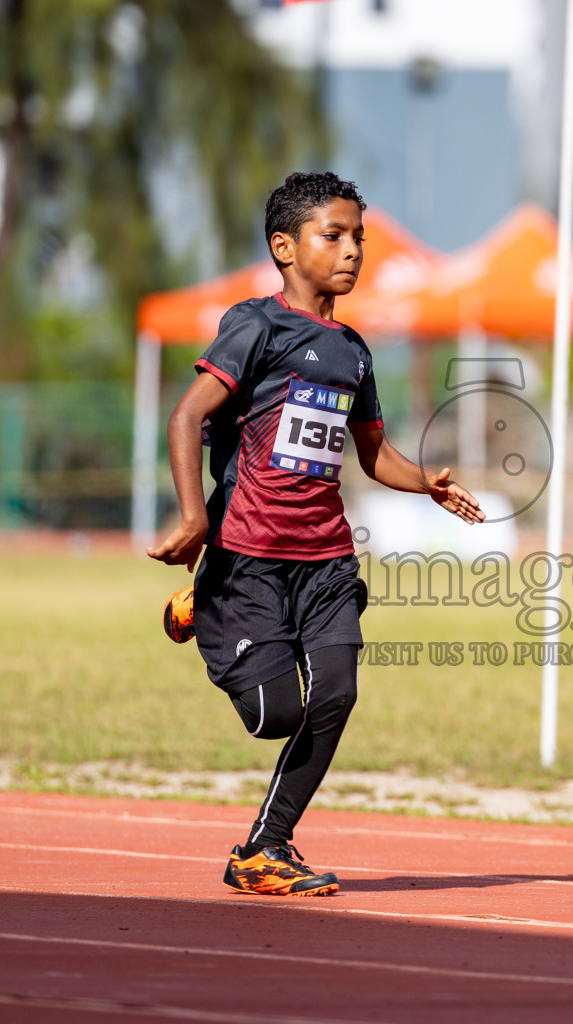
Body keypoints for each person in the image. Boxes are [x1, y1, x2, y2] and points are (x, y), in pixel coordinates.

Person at [148, 171, 485, 896]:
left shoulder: (354, 352)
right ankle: (201, 604)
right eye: (334, 236)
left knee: (335, 694)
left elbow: (372, 454)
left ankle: (264, 849)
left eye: (358, 237)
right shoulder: (255, 327)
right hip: (247, 558)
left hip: (326, 558)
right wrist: (195, 518)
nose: (352, 251)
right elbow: (186, 416)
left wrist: (427, 481)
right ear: (284, 247)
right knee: (277, 716)